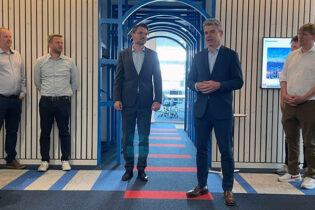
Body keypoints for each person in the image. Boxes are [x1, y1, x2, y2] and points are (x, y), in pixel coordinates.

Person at [186, 18, 243, 206]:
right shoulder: (199, 56)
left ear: (221, 33)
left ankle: (227, 189)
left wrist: (219, 85)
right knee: (201, 150)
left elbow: (238, 81)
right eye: (206, 32)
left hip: (222, 111)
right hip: (201, 111)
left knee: (226, 151)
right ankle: (202, 185)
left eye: (212, 32)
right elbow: (190, 81)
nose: (208, 36)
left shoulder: (230, 55)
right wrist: (196, 85)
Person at [113, 23, 162, 182]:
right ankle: (128, 169)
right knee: (127, 137)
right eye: (140, 33)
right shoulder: (123, 54)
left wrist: (158, 99)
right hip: (127, 102)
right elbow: (118, 79)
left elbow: (158, 78)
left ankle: (141, 169)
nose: (143, 36)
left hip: (146, 103)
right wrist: (117, 98)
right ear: (132, 34)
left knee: (143, 138)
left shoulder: (153, 55)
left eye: (146, 34)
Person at [34, 34, 79, 172]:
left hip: (63, 101)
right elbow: (37, 82)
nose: (60, 45)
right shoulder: (40, 61)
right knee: (45, 132)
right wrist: (47, 92)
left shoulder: (69, 61)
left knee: (64, 131)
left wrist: (65, 93)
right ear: (50, 44)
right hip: (46, 101)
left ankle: (65, 159)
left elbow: (75, 82)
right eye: (57, 42)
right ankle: (44, 160)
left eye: (61, 42)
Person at [278, 23, 315, 189]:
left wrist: (303, 97)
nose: (300, 36)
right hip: (290, 103)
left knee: (310, 141)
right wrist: (285, 95)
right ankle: (293, 172)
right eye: (299, 33)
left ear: (313, 37)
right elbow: (283, 77)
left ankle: (311, 175)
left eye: (304, 34)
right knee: (291, 139)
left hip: (310, 103)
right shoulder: (292, 55)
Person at [276, 35, 307, 174]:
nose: (292, 50)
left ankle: (307, 167)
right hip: (289, 104)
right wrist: (283, 99)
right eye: (291, 47)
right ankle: (289, 165)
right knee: (290, 136)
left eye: (295, 47)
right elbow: (283, 80)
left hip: (307, 104)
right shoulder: (290, 61)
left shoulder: (309, 63)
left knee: (308, 137)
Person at [0, 27, 26, 169]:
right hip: (1, 99)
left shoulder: (17, 55)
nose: (9, 39)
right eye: (5, 37)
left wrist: (22, 92)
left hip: (15, 100)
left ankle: (10, 158)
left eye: (10, 37)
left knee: (12, 130)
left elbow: (22, 76)